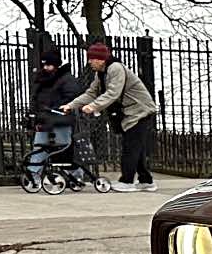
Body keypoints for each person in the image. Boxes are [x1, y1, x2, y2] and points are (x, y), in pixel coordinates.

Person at [65, 40, 160, 191]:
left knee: (130, 147)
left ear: (100, 59)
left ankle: (127, 181)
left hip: (141, 111)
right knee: (137, 148)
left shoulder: (115, 68)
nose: (89, 62)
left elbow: (113, 93)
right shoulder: (101, 73)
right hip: (131, 112)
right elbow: (91, 93)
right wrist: (71, 105)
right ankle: (146, 181)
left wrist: (93, 106)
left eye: (91, 59)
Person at [26, 44, 88, 183]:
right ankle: (33, 174)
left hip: (60, 119)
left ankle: (75, 173)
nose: (46, 68)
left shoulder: (66, 79)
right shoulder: (43, 79)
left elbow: (73, 96)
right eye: (44, 65)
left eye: (49, 65)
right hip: (45, 118)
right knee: (40, 146)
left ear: (56, 65)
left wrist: (58, 108)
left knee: (61, 147)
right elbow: (36, 98)